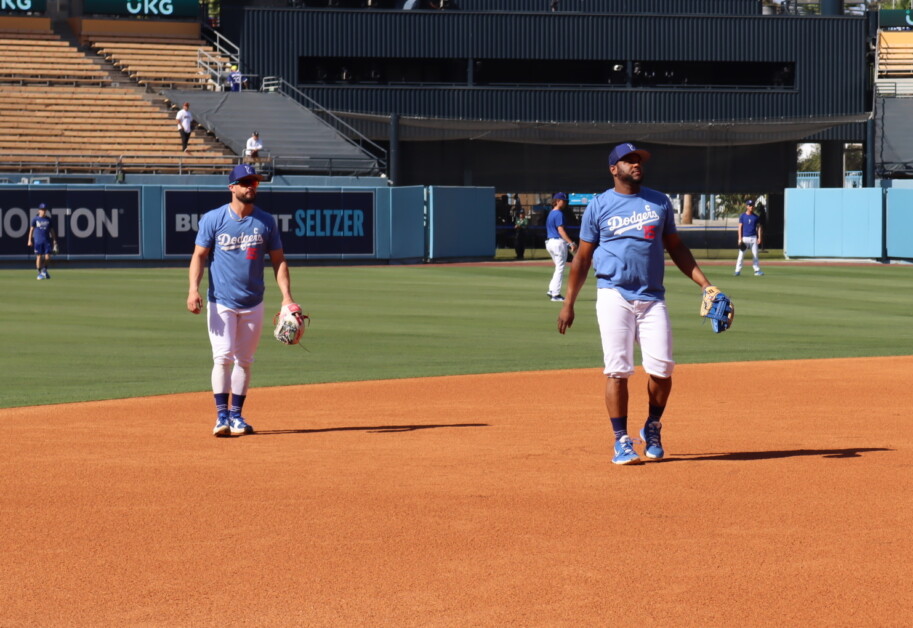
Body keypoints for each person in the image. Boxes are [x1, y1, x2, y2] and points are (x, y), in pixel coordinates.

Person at [556, 142, 721, 465]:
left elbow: (676, 247)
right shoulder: (600, 205)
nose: (636, 164)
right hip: (613, 293)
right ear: (613, 169)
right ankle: (621, 440)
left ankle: (652, 427)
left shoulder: (659, 202)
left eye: (639, 160)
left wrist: (706, 284)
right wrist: (569, 302)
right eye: (628, 160)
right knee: (617, 370)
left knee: (662, 370)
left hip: (652, 297)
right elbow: (583, 257)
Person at [186, 164, 299, 437]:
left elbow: (278, 260)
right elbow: (199, 256)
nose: (251, 186)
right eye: (245, 181)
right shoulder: (213, 219)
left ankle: (236, 417)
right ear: (232, 187)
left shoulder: (265, 221)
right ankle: (221, 416)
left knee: (245, 360)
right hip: (220, 300)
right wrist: (193, 289)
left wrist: (287, 297)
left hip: (253, 301)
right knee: (222, 357)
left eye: (254, 182)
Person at [545, 192, 577, 301]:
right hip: (557, 242)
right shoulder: (559, 213)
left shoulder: (551, 213)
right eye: (563, 201)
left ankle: (552, 289)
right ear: (557, 201)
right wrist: (570, 242)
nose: (565, 203)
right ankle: (556, 294)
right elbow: (561, 230)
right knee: (560, 268)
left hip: (550, 242)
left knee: (558, 267)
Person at [27, 203, 58, 280]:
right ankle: (39, 273)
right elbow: (31, 230)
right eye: (42, 210)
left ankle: (44, 270)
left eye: (45, 210)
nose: (43, 211)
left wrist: (54, 240)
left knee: (48, 257)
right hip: (38, 240)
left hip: (46, 240)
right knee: (39, 256)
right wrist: (29, 240)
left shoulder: (48, 220)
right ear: (39, 210)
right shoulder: (35, 219)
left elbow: (52, 231)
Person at [735, 199, 764, 276]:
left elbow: (759, 227)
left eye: (752, 205)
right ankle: (737, 270)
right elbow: (740, 227)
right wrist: (739, 239)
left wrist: (759, 237)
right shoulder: (743, 216)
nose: (751, 207)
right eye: (750, 205)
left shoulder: (756, 217)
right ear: (747, 206)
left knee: (755, 255)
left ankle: (757, 270)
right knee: (741, 255)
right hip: (745, 238)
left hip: (753, 238)